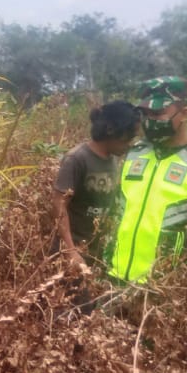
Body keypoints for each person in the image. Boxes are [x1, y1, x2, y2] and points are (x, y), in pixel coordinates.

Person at [105, 77, 187, 316]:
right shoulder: (134, 153)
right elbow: (114, 213)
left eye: (158, 114)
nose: (150, 122)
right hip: (112, 285)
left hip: (165, 295)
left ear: (184, 113)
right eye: (145, 114)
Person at [53, 100, 140, 270]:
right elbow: (59, 204)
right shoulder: (77, 159)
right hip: (73, 248)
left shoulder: (114, 159)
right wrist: (70, 251)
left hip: (96, 249)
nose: (129, 144)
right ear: (111, 131)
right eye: (127, 138)